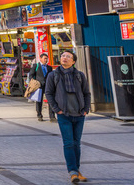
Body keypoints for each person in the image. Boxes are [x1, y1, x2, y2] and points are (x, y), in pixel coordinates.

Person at [45, 50, 91, 183]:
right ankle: (72, 172)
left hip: (79, 114)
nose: (64, 58)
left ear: (73, 61)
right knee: (69, 143)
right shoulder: (53, 75)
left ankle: (76, 171)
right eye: (63, 56)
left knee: (77, 144)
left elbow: (87, 93)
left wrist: (85, 109)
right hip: (64, 114)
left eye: (68, 56)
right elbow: (48, 93)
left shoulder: (79, 75)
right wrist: (57, 109)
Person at [28, 53, 56, 121]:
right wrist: (34, 83)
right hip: (39, 86)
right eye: (44, 58)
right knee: (39, 101)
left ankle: (52, 116)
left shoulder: (49, 67)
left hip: (48, 86)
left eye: (47, 59)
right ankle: (39, 115)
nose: (46, 60)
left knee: (51, 100)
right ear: (40, 59)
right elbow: (31, 75)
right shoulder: (36, 66)